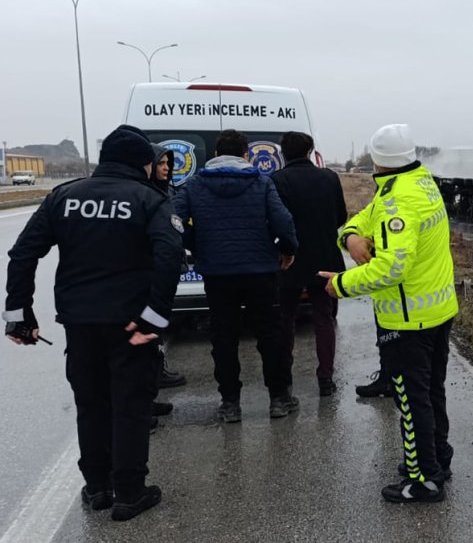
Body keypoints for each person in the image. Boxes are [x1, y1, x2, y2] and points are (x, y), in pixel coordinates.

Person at [3, 125, 184, 521]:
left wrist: (19, 315)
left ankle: (98, 488)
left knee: (92, 404)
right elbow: (171, 255)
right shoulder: (149, 199)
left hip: (80, 322)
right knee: (131, 406)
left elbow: (22, 254)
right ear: (144, 163)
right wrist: (154, 316)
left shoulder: (64, 196)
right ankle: (130, 493)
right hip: (130, 325)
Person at [319, 124, 458, 503]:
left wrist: (343, 284)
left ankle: (423, 479)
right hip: (436, 310)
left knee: (411, 402)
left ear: (378, 162)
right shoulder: (418, 182)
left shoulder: (399, 203)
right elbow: (365, 218)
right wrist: (349, 235)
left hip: (408, 319)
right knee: (431, 392)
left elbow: (392, 267)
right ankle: (437, 459)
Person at [172, 129, 298, 423]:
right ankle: (279, 399)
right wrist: (288, 248)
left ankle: (230, 404)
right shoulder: (261, 182)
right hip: (260, 272)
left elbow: (174, 221)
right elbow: (283, 220)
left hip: (217, 273)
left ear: (216, 154)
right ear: (245, 155)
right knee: (270, 335)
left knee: (224, 338)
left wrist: (195, 242)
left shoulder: (194, 185)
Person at [270, 132, 347, 397]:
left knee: (285, 319)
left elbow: (275, 221)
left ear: (283, 152)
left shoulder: (277, 180)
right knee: (324, 319)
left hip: (289, 259)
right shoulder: (329, 177)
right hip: (325, 258)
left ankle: (285, 376)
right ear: (309, 151)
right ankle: (325, 378)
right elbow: (341, 216)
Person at [149, 146, 186, 423]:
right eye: (160, 163)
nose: (165, 168)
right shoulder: (145, 195)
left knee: (156, 332)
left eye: (167, 163)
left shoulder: (168, 191)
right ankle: (142, 403)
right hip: (147, 275)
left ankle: (153, 384)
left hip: (164, 273)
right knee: (146, 334)